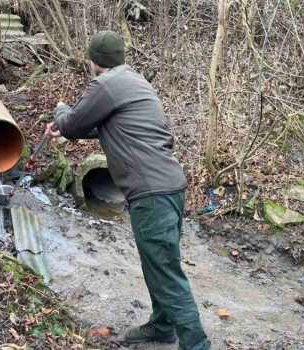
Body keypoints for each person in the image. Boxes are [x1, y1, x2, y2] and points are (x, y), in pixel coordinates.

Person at [45, 30, 211, 349]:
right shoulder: (135, 82)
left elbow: (75, 123)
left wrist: (61, 112)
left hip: (151, 193)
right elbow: (115, 128)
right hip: (171, 186)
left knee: (166, 272)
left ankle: (197, 345)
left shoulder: (105, 84)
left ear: (93, 59)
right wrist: (66, 128)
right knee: (158, 262)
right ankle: (162, 326)